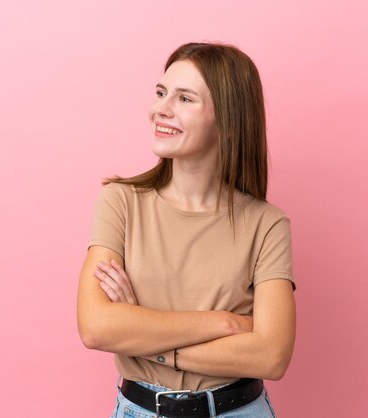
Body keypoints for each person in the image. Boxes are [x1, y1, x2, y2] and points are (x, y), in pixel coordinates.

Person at [77, 42, 296, 418]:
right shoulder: (121, 202)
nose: (160, 109)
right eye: (161, 93)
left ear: (227, 119)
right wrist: (223, 323)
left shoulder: (267, 224)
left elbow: (271, 356)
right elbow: (96, 327)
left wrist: (142, 331)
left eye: (184, 98)